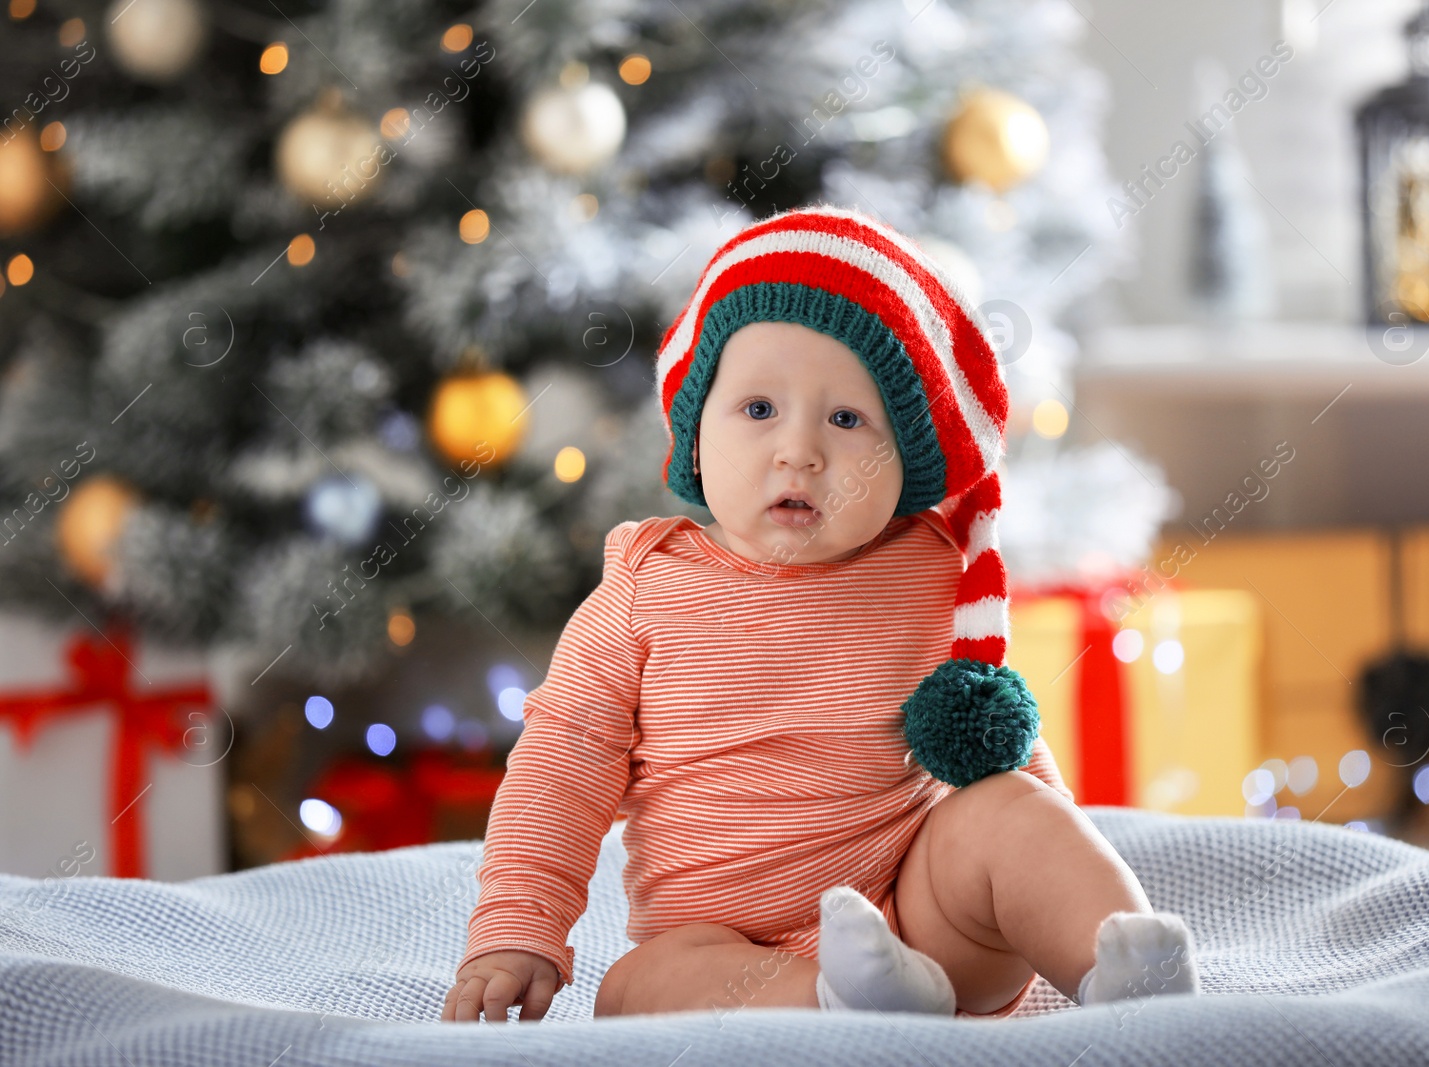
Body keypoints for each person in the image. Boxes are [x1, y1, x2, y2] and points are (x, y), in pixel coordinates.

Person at [441, 205, 1201, 1024]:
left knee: (1005, 809)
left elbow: (997, 748)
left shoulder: (929, 571)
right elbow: (561, 767)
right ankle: (838, 999)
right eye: (759, 409)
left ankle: (1126, 964)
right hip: (719, 946)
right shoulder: (645, 587)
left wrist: (1040, 864)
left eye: (846, 419)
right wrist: (518, 928)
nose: (798, 450)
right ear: (695, 432)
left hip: (923, 924)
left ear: (904, 459)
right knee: (636, 987)